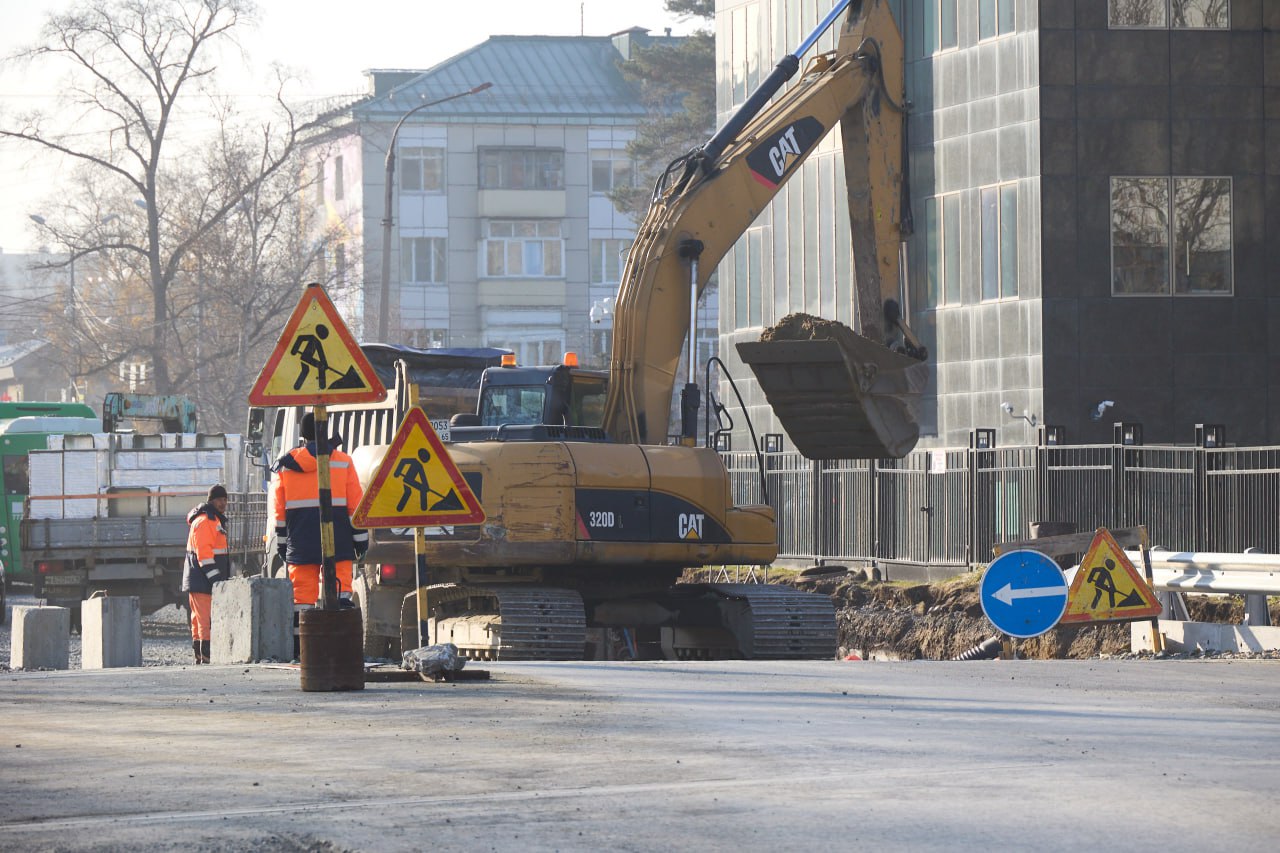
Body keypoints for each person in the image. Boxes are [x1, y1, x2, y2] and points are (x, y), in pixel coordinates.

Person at [272, 411, 368, 630]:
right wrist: (360, 540)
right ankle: (339, 639)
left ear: (303, 435)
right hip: (339, 537)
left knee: (302, 597)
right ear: (325, 430)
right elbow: (355, 506)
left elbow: (279, 509)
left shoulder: (287, 465)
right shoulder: (343, 462)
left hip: (301, 539)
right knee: (341, 588)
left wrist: (281, 541)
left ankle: (301, 648)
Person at [182, 484, 231, 664]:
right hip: (203, 581)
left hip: (198, 580)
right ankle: (207, 658)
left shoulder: (209, 520)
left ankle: (200, 656)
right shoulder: (207, 521)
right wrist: (217, 581)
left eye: (225, 500)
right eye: (219, 499)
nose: (223, 503)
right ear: (211, 500)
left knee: (198, 620)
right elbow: (204, 555)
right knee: (206, 621)